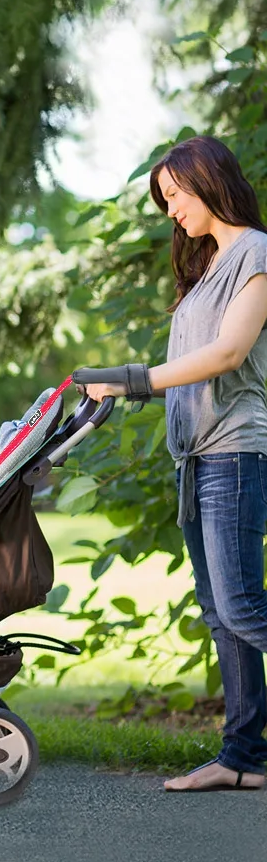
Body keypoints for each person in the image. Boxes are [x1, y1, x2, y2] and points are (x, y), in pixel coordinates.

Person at [74, 134, 267, 792]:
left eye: (176, 194)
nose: (171, 210)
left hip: (234, 451)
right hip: (195, 458)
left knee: (243, 608)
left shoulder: (255, 254)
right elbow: (191, 371)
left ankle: (244, 756)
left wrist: (134, 378)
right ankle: (243, 759)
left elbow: (228, 354)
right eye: (165, 200)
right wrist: (127, 386)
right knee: (220, 614)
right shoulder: (208, 268)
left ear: (209, 181)